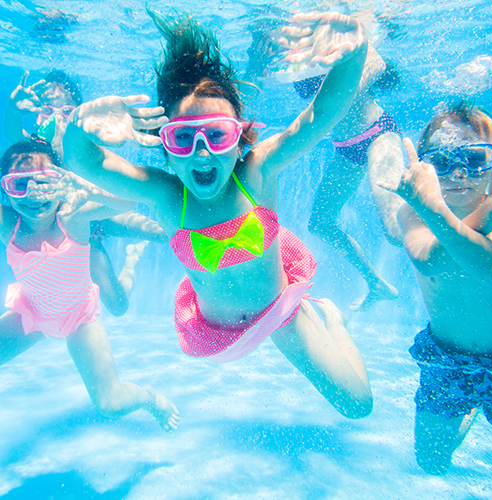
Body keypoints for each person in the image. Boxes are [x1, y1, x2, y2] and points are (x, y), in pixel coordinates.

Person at [62, 11, 373, 418]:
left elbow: (319, 116)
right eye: (184, 137)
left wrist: (355, 52)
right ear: (166, 147)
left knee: (357, 406)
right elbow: (82, 160)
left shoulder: (258, 171)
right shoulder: (166, 195)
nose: (202, 151)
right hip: (219, 328)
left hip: (279, 311)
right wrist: (77, 127)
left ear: (240, 137)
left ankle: (330, 317)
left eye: (217, 134)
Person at [0, 139, 179, 431]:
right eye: (18, 184)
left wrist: (81, 189)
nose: (33, 194)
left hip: (78, 319)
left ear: (62, 184)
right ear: (5, 188)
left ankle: (149, 398)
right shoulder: (8, 223)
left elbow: (125, 202)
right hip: (29, 312)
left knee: (111, 405)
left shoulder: (73, 218)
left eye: (45, 183)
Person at [380, 102, 492, 474]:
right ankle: (468, 416)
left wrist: (438, 212)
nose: (460, 173)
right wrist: (434, 208)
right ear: (425, 170)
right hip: (447, 359)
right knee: (431, 463)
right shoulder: (414, 211)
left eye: (476, 159)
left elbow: (490, 267)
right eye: (443, 162)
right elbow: (427, 260)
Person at [2, 69, 165, 317]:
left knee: (164, 234)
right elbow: (11, 140)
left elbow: (120, 198)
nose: (57, 121)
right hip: (72, 232)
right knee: (118, 307)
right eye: (47, 111)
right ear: (37, 116)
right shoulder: (31, 152)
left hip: (100, 213)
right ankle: (129, 260)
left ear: (79, 115)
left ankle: (133, 259)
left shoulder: (84, 146)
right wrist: (13, 111)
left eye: (66, 112)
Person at [293, 45, 405, 311]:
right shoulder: (299, 56)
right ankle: (377, 284)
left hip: (377, 132)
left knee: (395, 230)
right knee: (319, 223)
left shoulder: (350, 43)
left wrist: (342, 90)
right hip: (347, 149)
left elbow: (376, 62)